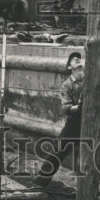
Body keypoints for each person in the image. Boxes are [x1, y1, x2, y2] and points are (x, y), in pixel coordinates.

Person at [34, 51, 84, 187]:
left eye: (80, 58)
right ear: (69, 67)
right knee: (58, 151)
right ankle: (40, 183)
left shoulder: (91, 79)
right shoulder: (66, 86)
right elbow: (65, 108)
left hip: (93, 121)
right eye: (74, 59)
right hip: (74, 123)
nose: (78, 60)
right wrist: (79, 107)